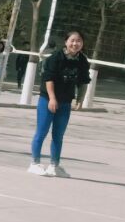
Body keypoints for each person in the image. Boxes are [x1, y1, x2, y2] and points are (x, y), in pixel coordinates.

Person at [31, 31, 89, 177]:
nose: (75, 44)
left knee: (58, 135)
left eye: (79, 41)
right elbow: (48, 79)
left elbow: (84, 82)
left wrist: (80, 100)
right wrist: (52, 98)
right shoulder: (56, 57)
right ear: (66, 42)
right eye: (72, 40)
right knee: (41, 132)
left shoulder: (82, 60)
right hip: (48, 100)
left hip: (65, 102)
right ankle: (35, 163)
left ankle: (54, 166)